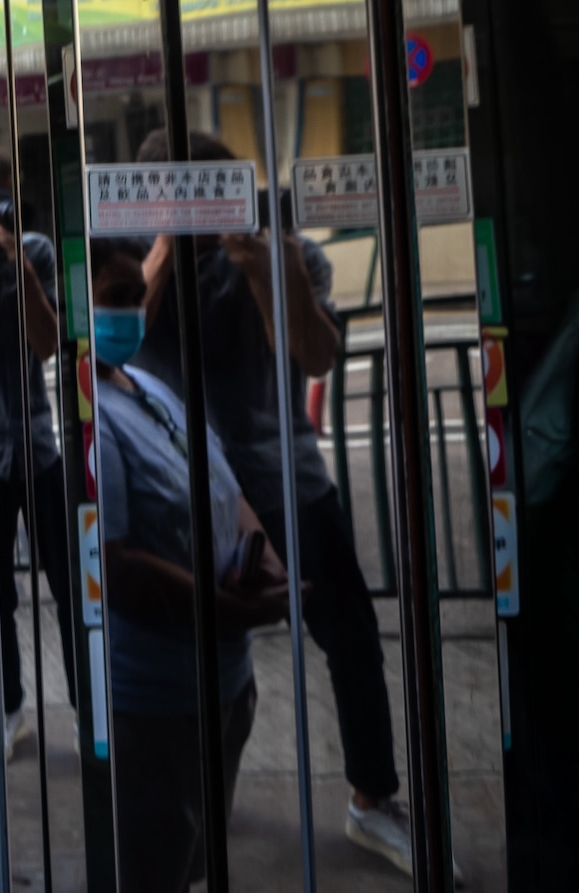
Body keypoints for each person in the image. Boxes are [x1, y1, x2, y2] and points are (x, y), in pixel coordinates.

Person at [129, 130, 418, 873]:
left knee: (349, 633)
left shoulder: (286, 253)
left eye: (216, 191)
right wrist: (163, 251)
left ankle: (372, 796)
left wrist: (267, 267)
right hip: (201, 489)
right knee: (209, 655)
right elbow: (118, 357)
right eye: (184, 195)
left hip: (291, 477)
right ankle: (199, 807)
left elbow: (315, 355)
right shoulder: (146, 263)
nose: (205, 209)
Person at [90, 234, 290, 893]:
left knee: (195, 854)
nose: (131, 311)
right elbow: (117, 565)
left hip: (226, 680)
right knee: (154, 864)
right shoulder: (90, 417)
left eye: (135, 296)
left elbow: (226, 487)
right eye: (112, 299)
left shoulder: (147, 384)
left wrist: (270, 567)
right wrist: (225, 606)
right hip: (157, 694)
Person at [0, 148, 76, 761]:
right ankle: (10, 708)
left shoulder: (32, 251)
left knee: (68, 581)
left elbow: (46, 345)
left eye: (0, 194)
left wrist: (16, 258)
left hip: (36, 444)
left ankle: (90, 707)